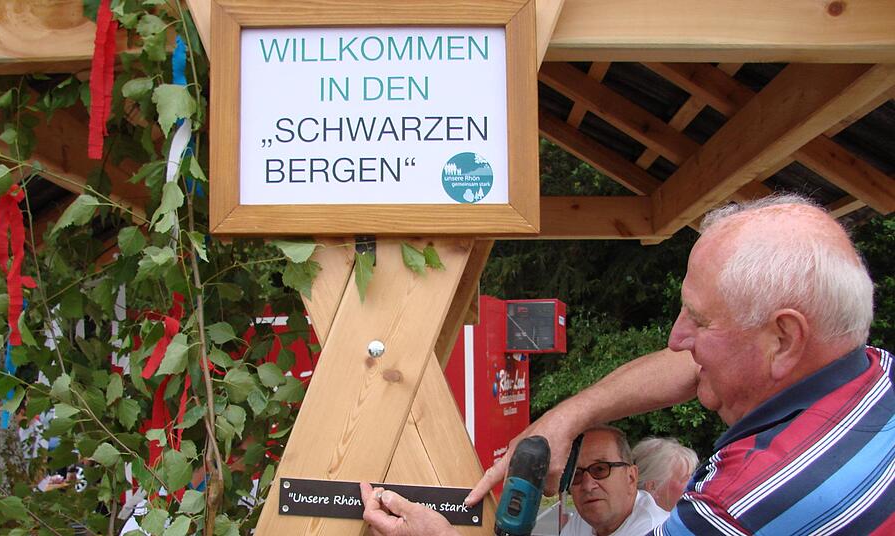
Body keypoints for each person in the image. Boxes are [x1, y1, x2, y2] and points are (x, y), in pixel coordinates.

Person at [360, 195, 894, 535]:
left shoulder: (743, 505)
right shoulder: (875, 373)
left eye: (699, 320)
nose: (676, 338)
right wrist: (565, 418)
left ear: (783, 338)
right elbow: (690, 367)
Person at [561, 425, 668, 536]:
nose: (587, 486)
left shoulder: (653, 529)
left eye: (600, 469)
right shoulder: (581, 521)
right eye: (576, 474)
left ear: (631, 478)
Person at [630, 438, 698, 511]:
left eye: (692, 476)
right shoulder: (650, 518)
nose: (696, 484)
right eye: (685, 479)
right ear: (653, 487)